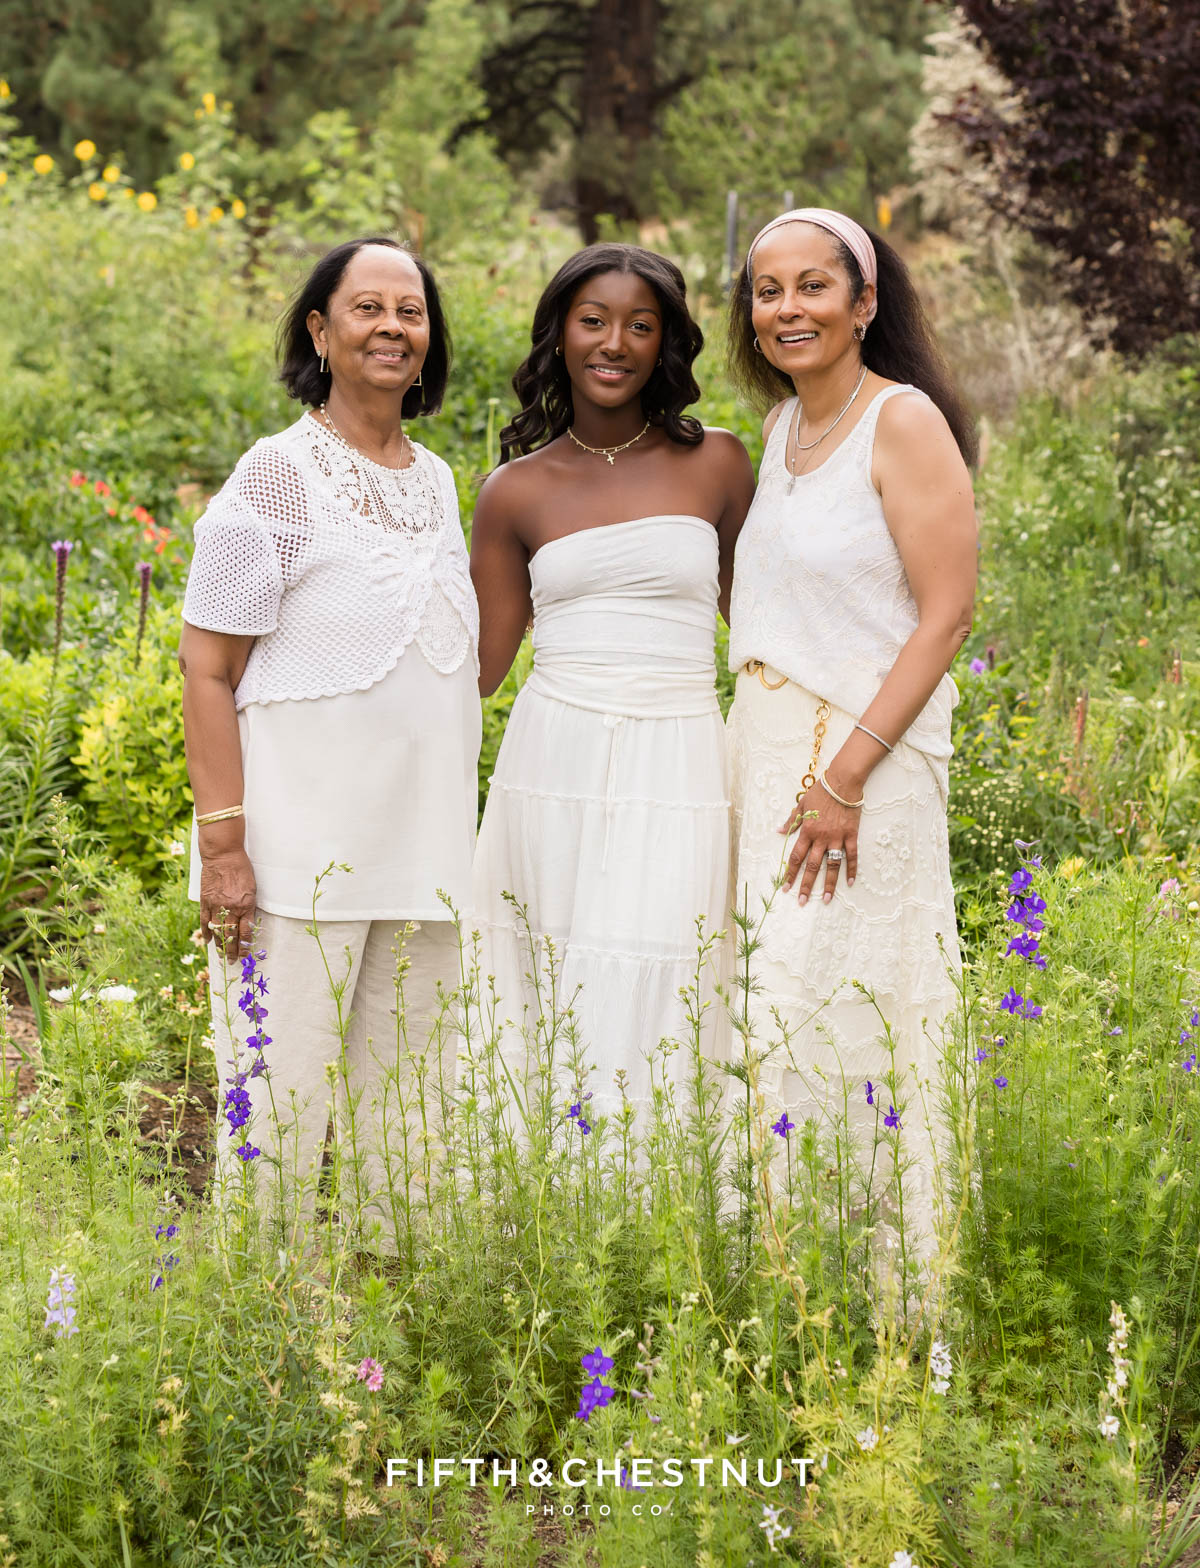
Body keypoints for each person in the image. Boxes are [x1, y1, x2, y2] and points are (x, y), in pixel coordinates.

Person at [179, 236, 480, 1243]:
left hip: (425, 866)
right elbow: (206, 669)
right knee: (276, 1118)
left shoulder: (437, 481)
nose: (393, 328)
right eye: (368, 308)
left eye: (412, 311)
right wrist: (225, 848)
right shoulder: (276, 476)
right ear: (320, 329)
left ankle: (393, 1321)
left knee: (414, 1132)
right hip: (297, 867)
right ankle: (259, 1324)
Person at [725, 207, 977, 1258]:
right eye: (767, 290)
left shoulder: (902, 421)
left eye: (813, 286)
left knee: (853, 1006)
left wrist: (845, 777)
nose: (787, 308)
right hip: (768, 757)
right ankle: (783, 1274)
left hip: (858, 767)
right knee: (776, 1008)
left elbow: (946, 616)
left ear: (864, 302)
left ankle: (888, 1281)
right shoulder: (782, 430)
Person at [469, 243, 756, 1121]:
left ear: (666, 342)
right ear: (559, 332)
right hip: (553, 757)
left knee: (672, 954)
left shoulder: (719, 465)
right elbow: (479, 669)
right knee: (547, 962)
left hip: (679, 753)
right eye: (593, 320)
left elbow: (762, 629)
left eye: (641, 325)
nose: (614, 343)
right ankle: (539, 1179)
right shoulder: (512, 491)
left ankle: (658, 1177)